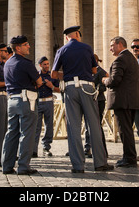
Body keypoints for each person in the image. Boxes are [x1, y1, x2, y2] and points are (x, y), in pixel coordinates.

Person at [51, 25, 113, 173]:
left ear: (67, 37)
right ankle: (100, 163)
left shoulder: (61, 50)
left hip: (70, 88)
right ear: (78, 35)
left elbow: (53, 74)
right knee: (94, 125)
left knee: (73, 127)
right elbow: (93, 70)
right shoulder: (86, 48)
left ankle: (78, 166)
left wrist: (67, 75)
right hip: (87, 87)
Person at [1, 36, 42, 175]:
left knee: (11, 133)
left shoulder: (7, 63)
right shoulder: (26, 63)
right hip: (25, 100)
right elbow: (39, 81)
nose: (29, 46)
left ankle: (6, 166)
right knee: (27, 133)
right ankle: (23, 166)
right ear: (18, 48)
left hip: (11, 100)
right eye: (26, 44)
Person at [102, 36, 139, 168]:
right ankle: (130, 156)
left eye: (112, 45)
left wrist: (104, 80)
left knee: (125, 131)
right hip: (132, 100)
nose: (110, 48)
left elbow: (114, 81)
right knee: (128, 130)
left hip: (122, 100)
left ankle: (129, 158)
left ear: (120, 45)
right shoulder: (132, 59)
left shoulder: (120, 59)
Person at [33, 56, 60, 157]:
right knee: (37, 126)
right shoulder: (36, 76)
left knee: (49, 126)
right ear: (40, 65)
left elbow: (59, 89)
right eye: (44, 64)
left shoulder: (52, 76)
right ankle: (34, 149)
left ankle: (46, 147)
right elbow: (31, 87)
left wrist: (51, 86)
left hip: (49, 102)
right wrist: (38, 85)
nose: (47, 66)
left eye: (48, 64)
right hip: (38, 102)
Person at [84, 54, 109, 158]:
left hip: (98, 101)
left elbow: (105, 85)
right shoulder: (89, 71)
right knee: (87, 124)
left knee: (97, 125)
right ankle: (88, 147)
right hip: (89, 100)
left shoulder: (101, 71)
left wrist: (95, 89)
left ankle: (102, 150)